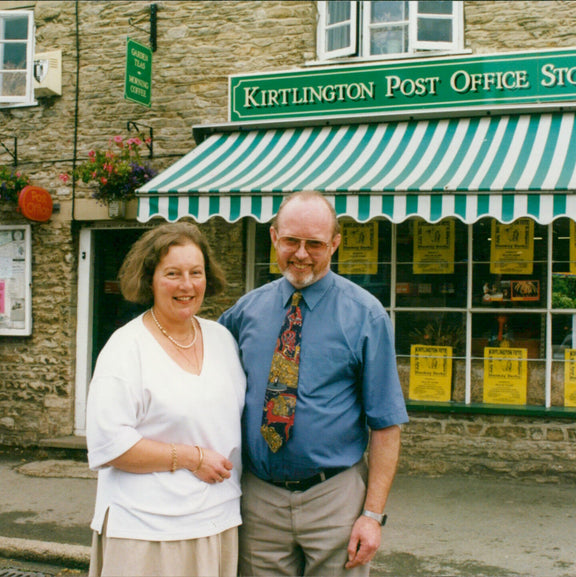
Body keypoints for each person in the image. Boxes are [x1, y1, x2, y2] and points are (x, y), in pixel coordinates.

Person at [219, 191, 408, 576]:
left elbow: (386, 424)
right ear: (273, 237)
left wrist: (372, 515)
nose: (301, 254)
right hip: (260, 499)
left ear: (335, 244)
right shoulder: (244, 313)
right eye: (291, 241)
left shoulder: (366, 315)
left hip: (334, 498)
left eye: (315, 244)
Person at [86, 222, 246, 577]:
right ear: (150, 279)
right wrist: (192, 457)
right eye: (173, 273)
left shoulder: (222, 340)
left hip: (215, 521)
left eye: (196, 272)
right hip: (146, 531)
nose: (186, 285)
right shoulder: (126, 348)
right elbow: (108, 445)